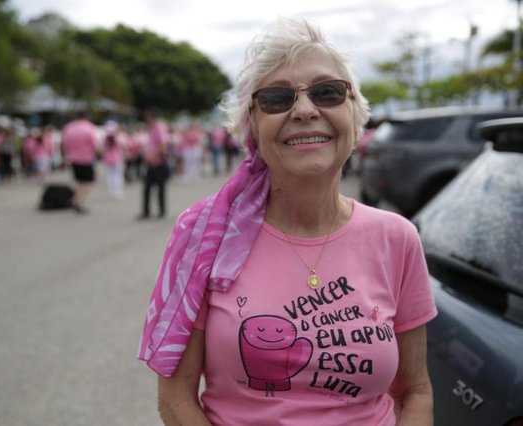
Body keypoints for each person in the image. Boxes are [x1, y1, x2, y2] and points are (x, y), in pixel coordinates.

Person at [138, 17, 437, 426]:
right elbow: (175, 398)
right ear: (252, 129)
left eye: (327, 92)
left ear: (355, 116)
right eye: (277, 99)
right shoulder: (205, 237)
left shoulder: (397, 238)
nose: (305, 110)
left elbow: (415, 390)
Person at [61, 112, 99, 214]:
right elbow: (94, 145)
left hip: (72, 159)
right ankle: (78, 201)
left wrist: (65, 156)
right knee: (89, 182)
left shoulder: (68, 127)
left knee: (80, 181)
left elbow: (64, 143)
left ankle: (78, 200)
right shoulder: (89, 128)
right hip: (86, 158)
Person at [138, 109, 170, 219]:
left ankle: (161, 211)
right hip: (151, 163)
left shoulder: (159, 127)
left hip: (158, 162)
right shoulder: (151, 129)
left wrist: (153, 156)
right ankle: (146, 211)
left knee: (160, 188)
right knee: (147, 188)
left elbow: (163, 144)